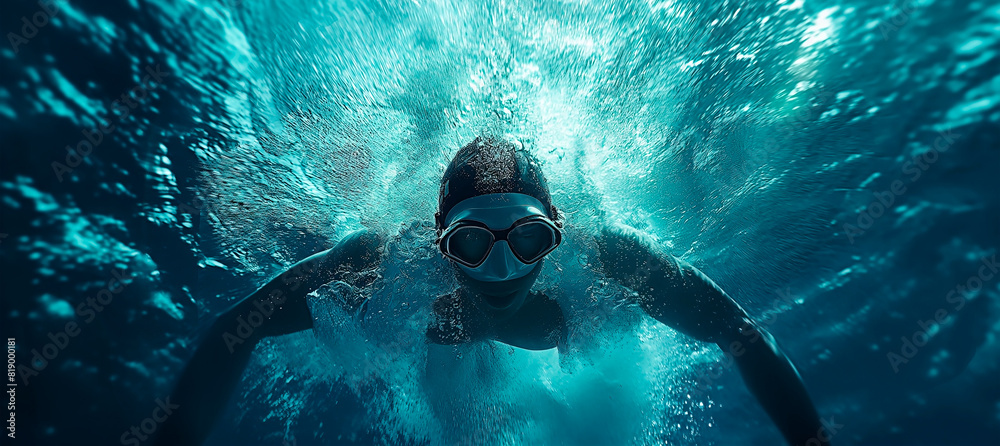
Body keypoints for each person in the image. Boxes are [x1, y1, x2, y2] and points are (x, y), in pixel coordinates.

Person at [155, 137, 829, 446]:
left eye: (529, 242)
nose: (503, 269)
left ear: (557, 234)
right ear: (440, 238)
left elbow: (741, 334)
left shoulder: (608, 263)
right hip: (438, 321)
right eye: (474, 244)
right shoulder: (386, 267)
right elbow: (231, 332)